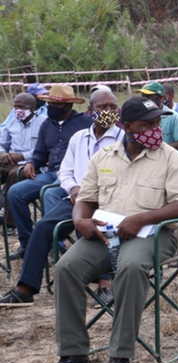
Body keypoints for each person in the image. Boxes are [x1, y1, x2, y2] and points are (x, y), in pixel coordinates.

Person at [43, 97, 178, 363]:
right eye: (147, 124)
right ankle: (74, 355)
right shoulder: (103, 156)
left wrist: (142, 218)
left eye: (157, 123)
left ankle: (120, 353)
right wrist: (80, 221)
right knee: (66, 268)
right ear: (125, 126)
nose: (155, 129)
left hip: (155, 234)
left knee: (131, 266)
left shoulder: (169, 157)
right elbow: (85, 199)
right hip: (108, 233)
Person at [0, 89, 124, 307]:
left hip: (111, 199)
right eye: (102, 107)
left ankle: (106, 284)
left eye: (112, 107)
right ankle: (25, 289)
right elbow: (65, 172)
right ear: (90, 111)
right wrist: (74, 189)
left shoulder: (123, 139)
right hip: (79, 198)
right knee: (44, 227)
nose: (108, 111)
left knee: (102, 225)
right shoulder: (79, 138)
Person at [6, 85, 93, 261]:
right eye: (50, 103)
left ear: (68, 106)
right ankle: (28, 243)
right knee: (15, 192)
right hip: (51, 172)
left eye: (56, 104)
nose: (51, 107)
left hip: (74, 175)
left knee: (49, 194)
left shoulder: (85, 123)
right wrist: (31, 163)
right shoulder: (47, 124)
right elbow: (40, 154)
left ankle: (56, 246)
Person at [0, 93, 46, 229]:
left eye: (22, 107)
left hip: (31, 164)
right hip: (9, 161)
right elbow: (3, 143)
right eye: (15, 106)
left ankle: (10, 223)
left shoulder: (43, 123)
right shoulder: (12, 123)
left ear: (32, 108)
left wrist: (22, 156)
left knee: (14, 175)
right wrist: (2, 153)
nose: (18, 110)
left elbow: (43, 150)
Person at [135, 81, 178, 152]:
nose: (145, 100)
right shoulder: (138, 117)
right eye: (143, 96)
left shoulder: (172, 116)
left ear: (161, 99)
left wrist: (159, 147)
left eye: (149, 97)